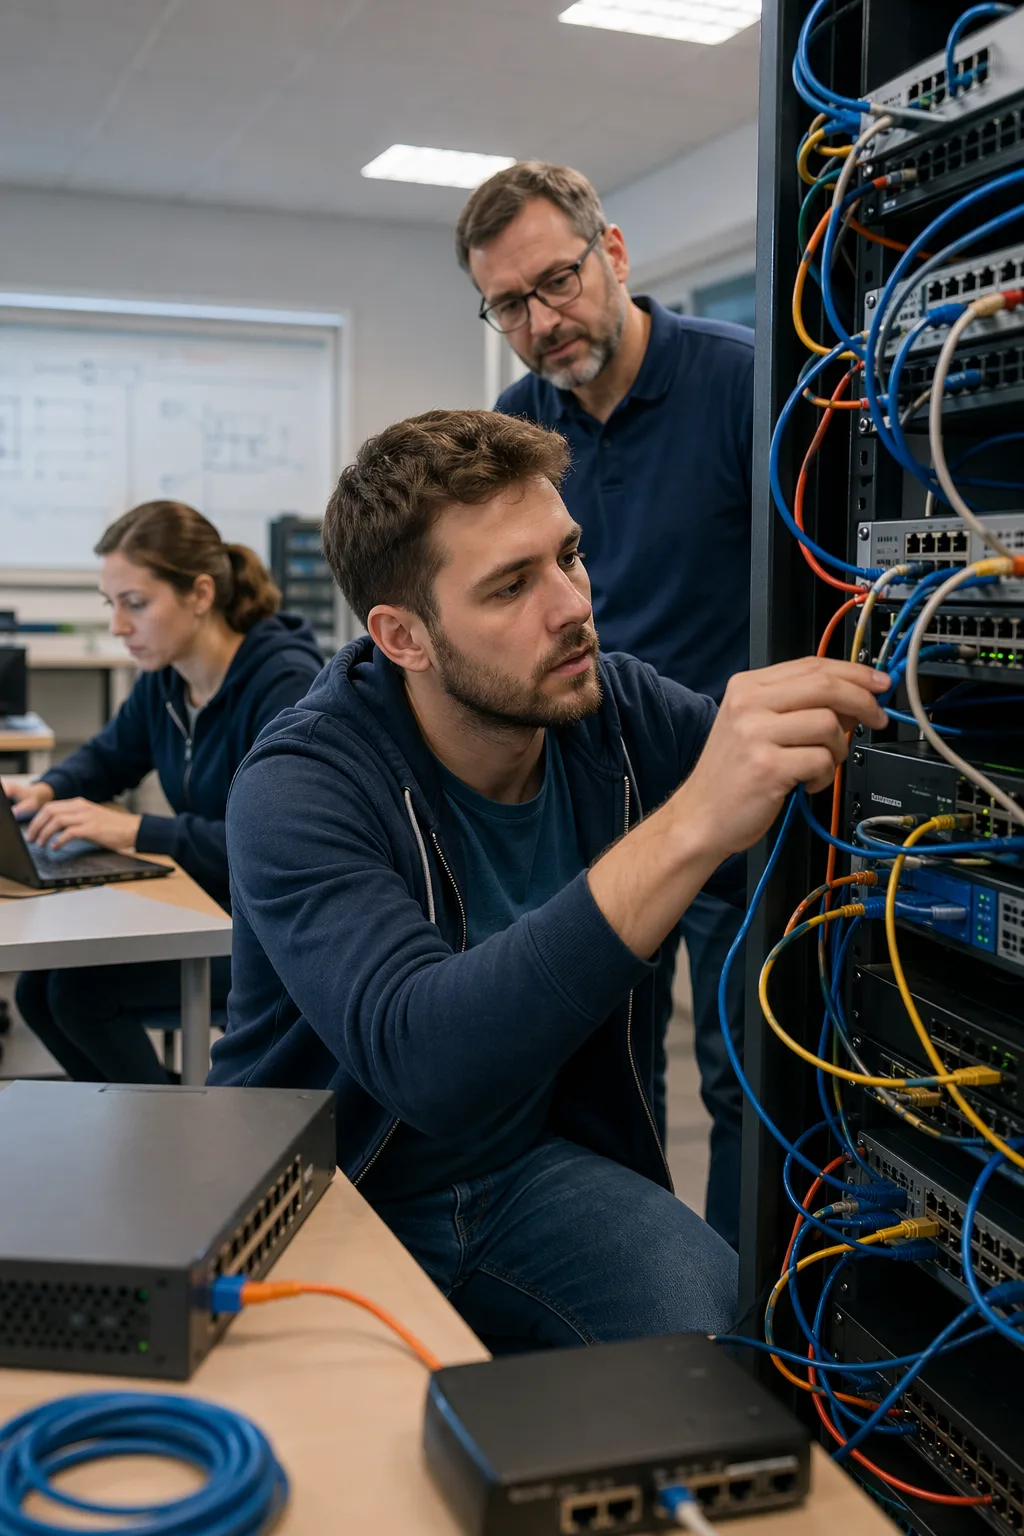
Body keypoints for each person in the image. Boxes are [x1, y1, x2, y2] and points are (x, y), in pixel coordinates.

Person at [208, 410, 890, 1353]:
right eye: (510, 586)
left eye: (568, 557)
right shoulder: (300, 785)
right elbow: (425, 1060)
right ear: (404, 637)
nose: (571, 606)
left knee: (719, 1359)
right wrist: (691, 822)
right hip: (327, 1190)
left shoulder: (616, 710)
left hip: (528, 1176)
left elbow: (813, 837)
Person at [455, 162, 754, 1248]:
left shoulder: (742, 383)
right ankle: (631, 1290)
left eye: (557, 282)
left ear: (613, 253)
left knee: (738, 1073)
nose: (541, 322)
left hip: (726, 791)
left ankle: (740, 1310)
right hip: (585, 793)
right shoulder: (515, 424)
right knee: (602, 1076)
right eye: (508, 305)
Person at [2, 501, 323, 1084]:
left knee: (78, 995)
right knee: (36, 992)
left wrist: (136, 829)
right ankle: (155, 1108)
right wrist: (42, 790)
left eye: (135, 604)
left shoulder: (285, 686)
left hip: (275, 936)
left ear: (200, 594)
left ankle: (170, 1123)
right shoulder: (166, 679)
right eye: (112, 605)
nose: (118, 627)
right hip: (209, 904)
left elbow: (274, 852)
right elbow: (109, 757)